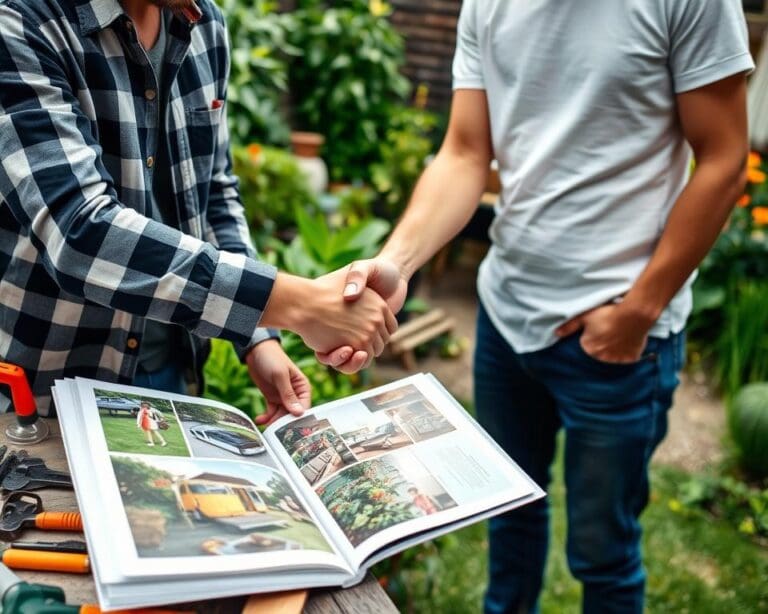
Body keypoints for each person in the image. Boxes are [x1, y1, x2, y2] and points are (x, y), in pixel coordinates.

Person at [322, 1, 753, 612]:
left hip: (618, 341)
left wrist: (638, 312)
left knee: (604, 553)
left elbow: (724, 158)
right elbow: (467, 151)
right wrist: (399, 262)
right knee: (511, 521)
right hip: (505, 315)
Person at [0, 0, 393, 423]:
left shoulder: (203, 24)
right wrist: (302, 303)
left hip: (169, 367)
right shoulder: (23, 22)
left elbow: (214, 194)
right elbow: (80, 232)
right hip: (46, 382)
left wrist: (259, 339)